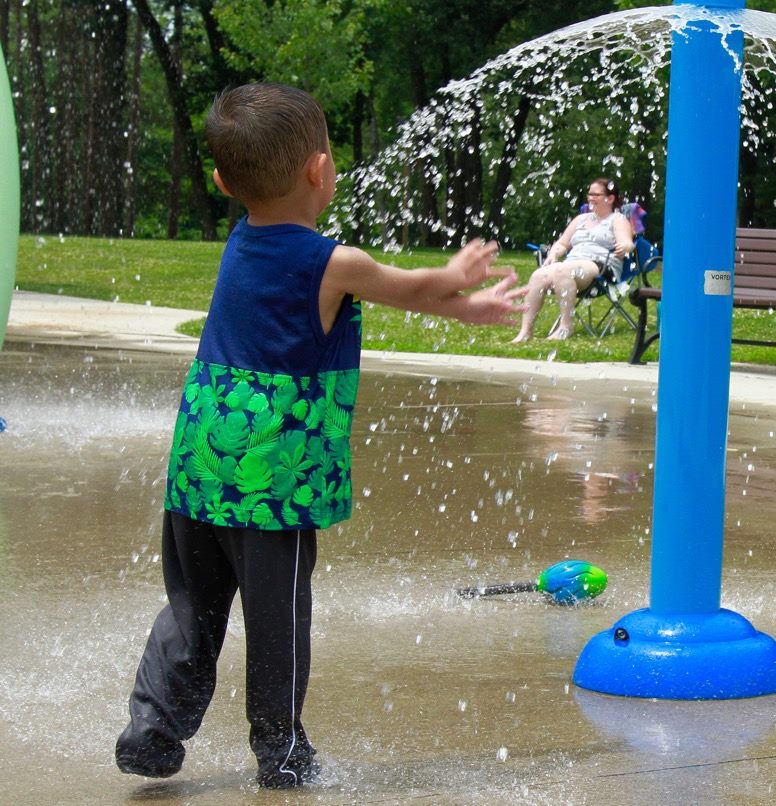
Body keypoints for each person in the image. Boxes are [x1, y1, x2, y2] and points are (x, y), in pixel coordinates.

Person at [114, 83, 524, 790]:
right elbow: (410, 287)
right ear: (318, 170)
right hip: (274, 477)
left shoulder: (242, 239)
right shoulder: (330, 261)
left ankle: (153, 728)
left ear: (221, 182)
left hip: (202, 463)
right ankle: (280, 750)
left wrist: (458, 299)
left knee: (194, 606)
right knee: (279, 619)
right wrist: (460, 284)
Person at [510, 177, 634, 342]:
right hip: (572, 264)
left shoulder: (617, 219)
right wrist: (554, 254)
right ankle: (525, 331)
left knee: (563, 270)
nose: (591, 198)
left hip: (600, 266)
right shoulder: (580, 219)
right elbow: (562, 243)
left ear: (610, 198)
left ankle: (566, 327)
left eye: (596, 194)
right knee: (538, 275)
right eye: (589, 194)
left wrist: (624, 247)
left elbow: (627, 242)